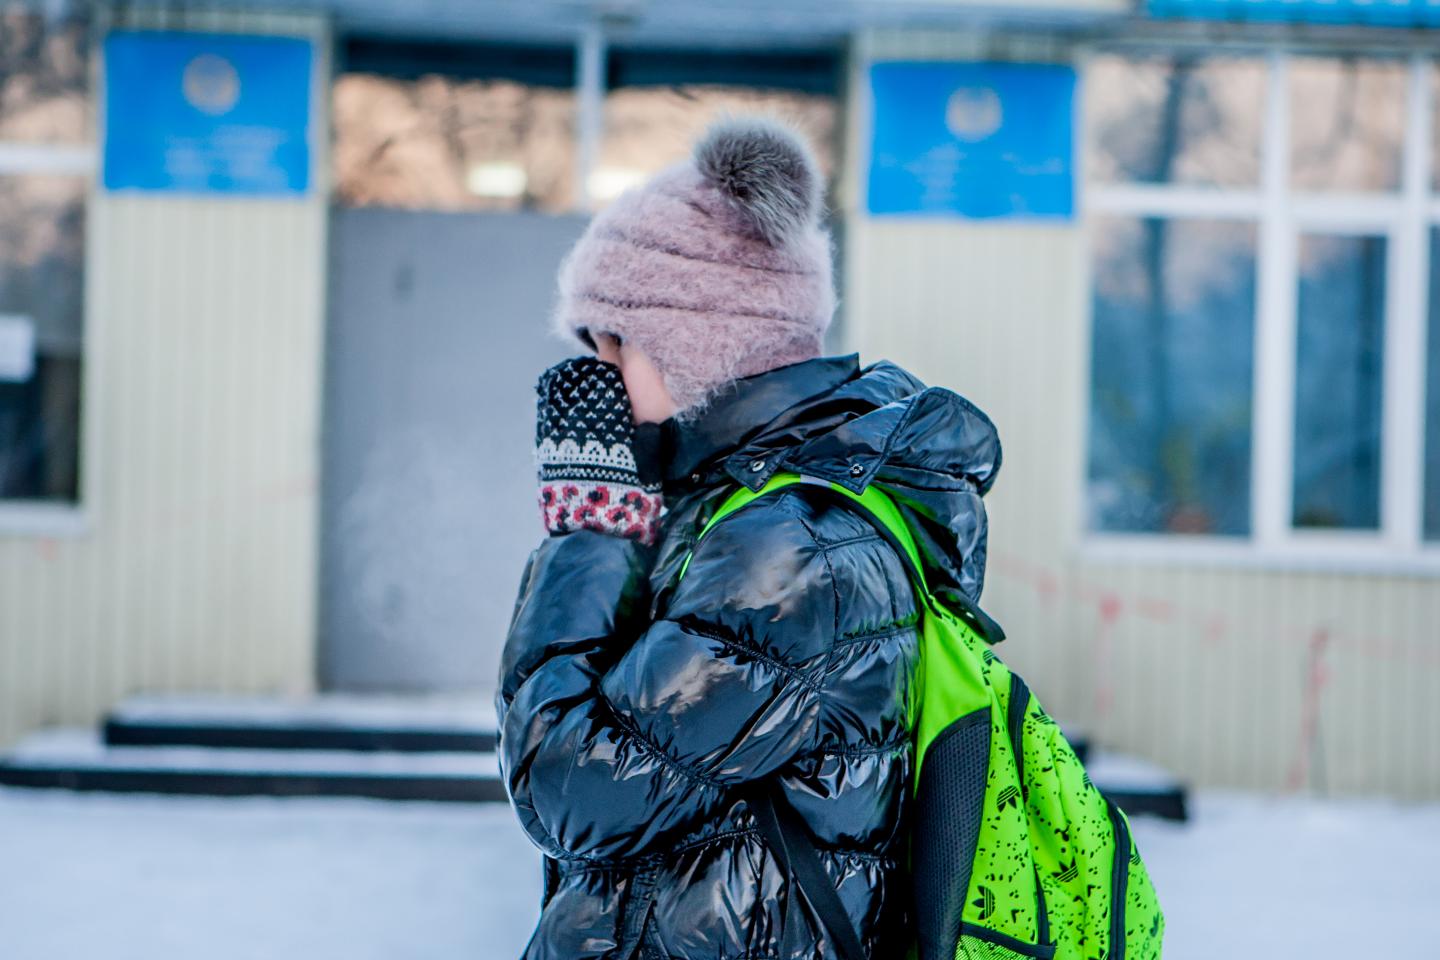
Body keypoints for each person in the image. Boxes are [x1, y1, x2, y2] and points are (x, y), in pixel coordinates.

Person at [495, 115, 1001, 960]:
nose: (605, 386)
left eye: (616, 349)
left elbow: (570, 786)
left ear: (694, 347)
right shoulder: (744, 521)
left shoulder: (791, 554)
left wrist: (588, 529)